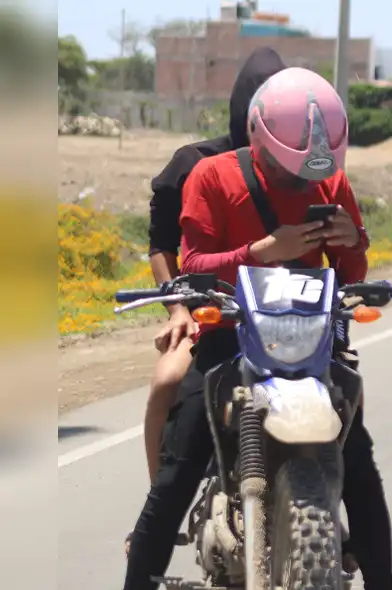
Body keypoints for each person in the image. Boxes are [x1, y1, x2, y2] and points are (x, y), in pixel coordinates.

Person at [123, 67, 392, 590]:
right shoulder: (211, 176)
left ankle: (384, 580)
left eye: (309, 173)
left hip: (309, 340)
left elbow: (351, 275)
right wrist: (262, 253)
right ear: (258, 138)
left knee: (358, 461)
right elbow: (194, 265)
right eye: (289, 169)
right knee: (178, 472)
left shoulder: (331, 180)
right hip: (231, 336)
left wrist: (348, 243)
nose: (301, 182)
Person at [142, 47, 287, 487]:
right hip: (213, 315)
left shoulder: (299, 169)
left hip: (284, 320)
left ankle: (324, 502)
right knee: (167, 382)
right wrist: (178, 311)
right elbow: (162, 247)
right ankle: (157, 512)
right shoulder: (194, 165)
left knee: (341, 389)